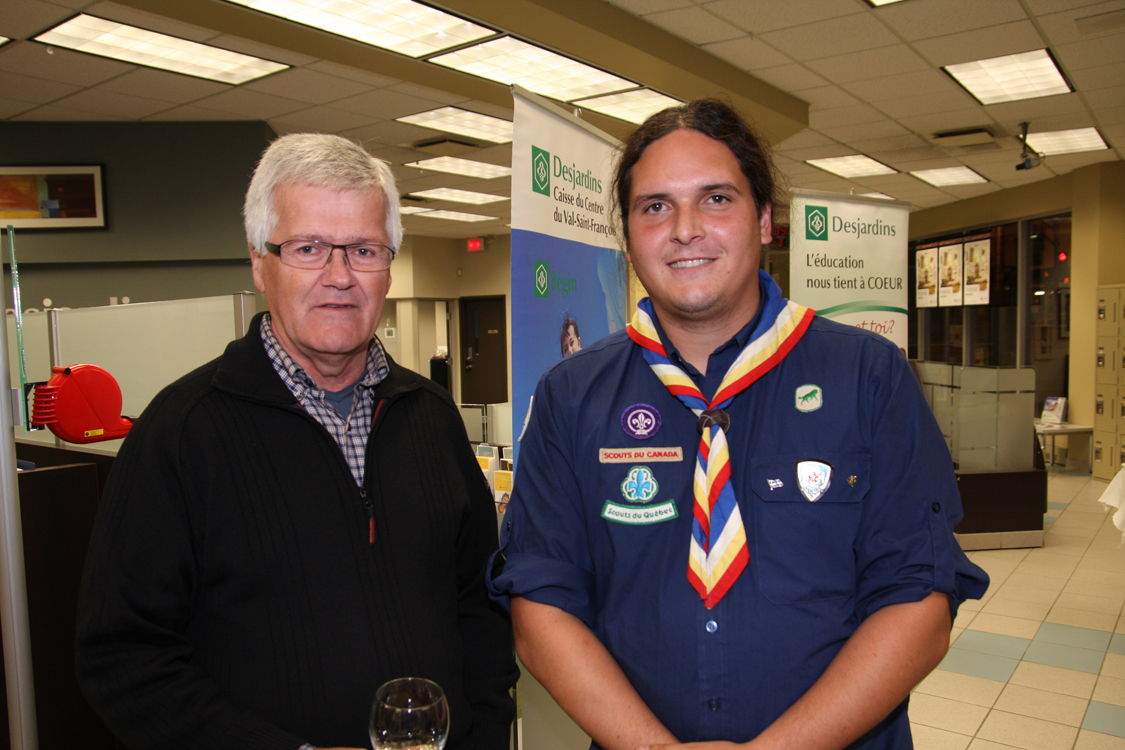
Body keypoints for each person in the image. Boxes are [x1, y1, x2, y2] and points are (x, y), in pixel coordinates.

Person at [488, 99, 988, 750]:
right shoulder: (570, 396)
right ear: (629, 234)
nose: (685, 229)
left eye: (715, 199)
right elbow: (541, 603)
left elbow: (918, 602)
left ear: (764, 220)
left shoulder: (868, 377)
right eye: (655, 206)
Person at [76, 133, 518, 750]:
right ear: (261, 263)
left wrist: (485, 730)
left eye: (363, 249)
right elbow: (122, 658)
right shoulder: (180, 433)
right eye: (308, 248)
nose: (339, 277)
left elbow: (481, 607)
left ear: (388, 266)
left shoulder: (432, 418)